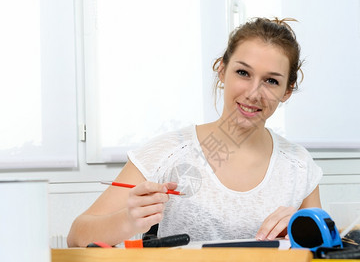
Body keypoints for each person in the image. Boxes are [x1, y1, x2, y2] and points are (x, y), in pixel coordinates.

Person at [67, 17, 322, 247]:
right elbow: (77, 236)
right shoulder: (169, 152)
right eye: (243, 73)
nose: (254, 93)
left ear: (287, 91)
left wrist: (303, 228)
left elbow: (325, 250)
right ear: (221, 71)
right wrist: (127, 220)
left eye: (271, 81)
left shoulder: (298, 165)